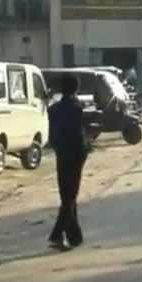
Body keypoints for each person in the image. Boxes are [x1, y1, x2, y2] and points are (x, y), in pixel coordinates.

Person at [48, 74, 88, 250]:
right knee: (70, 197)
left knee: (66, 195)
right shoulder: (76, 108)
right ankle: (57, 235)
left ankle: (74, 236)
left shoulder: (54, 109)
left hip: (61, 155)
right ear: (76, 89)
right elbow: (79, 136)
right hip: (74, 155)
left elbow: (53, 136)